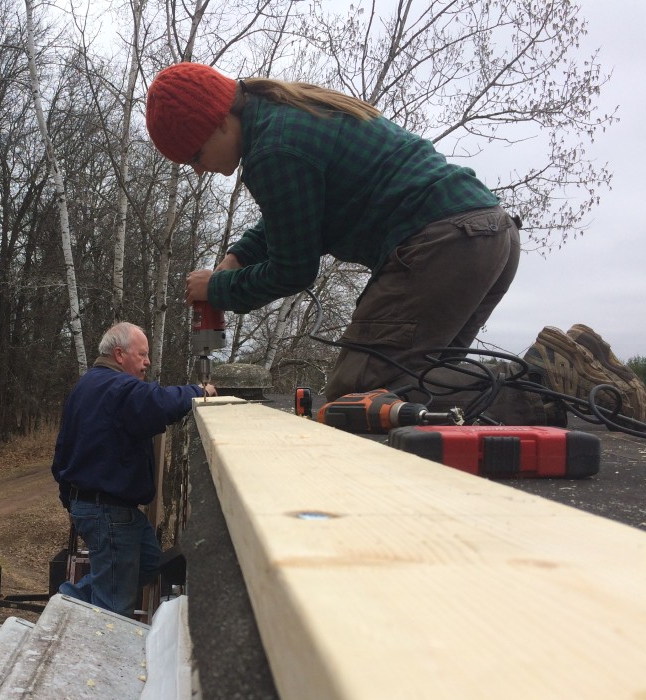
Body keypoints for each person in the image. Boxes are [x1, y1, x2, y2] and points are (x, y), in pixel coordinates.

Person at [145, 62, 646, 425]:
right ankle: (576, 362)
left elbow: (293, 270)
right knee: (421, 385)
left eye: (193, 153)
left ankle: (548, 380)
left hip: (442, 243)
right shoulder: (282, 116)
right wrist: (236, 257)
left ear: (217, 120)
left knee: (358, 396)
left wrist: (220, 289)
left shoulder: (272, 150)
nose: (197, 167)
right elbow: (296, 221)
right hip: (486, 233)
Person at [51, 322, 217, 617]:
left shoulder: (89, 385)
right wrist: (199, 392)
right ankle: (98, 653)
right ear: (119, 354)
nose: (147, 362)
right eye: (142, 354)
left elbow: (62, 450)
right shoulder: (117, 387)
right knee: (113, 607)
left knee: (147, 562)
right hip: (108, 510)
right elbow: (158, 403)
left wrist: (73, 500)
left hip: (101, 507)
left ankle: (66, 603)